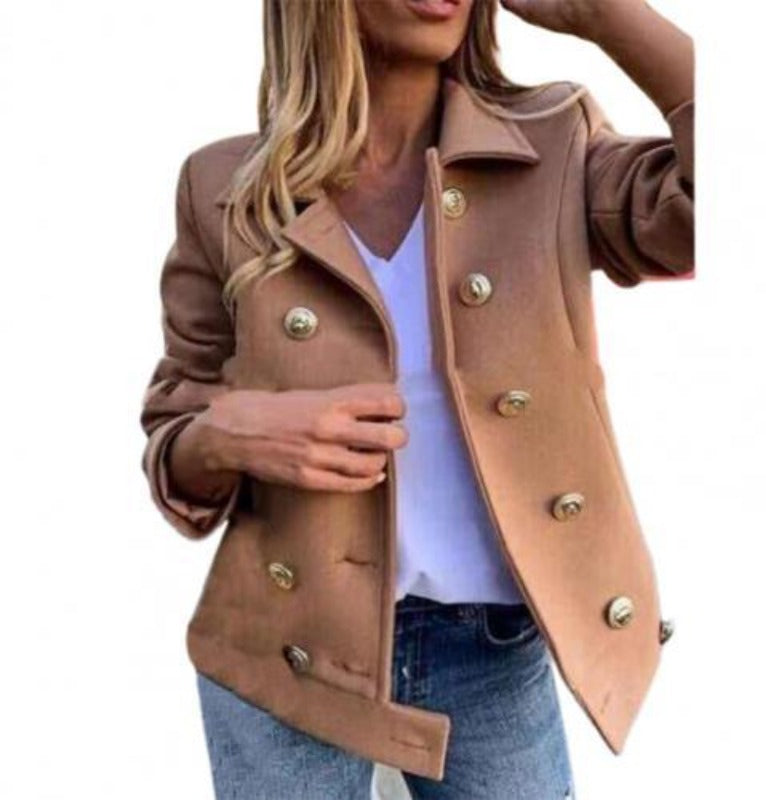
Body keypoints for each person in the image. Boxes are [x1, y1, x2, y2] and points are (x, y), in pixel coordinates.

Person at [139, 0, 694, 797]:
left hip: (492, 654)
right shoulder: (223, 186)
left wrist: (606, 15)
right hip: (286, 650)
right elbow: (175, 437)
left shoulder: (551, 144)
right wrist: (234, 432)